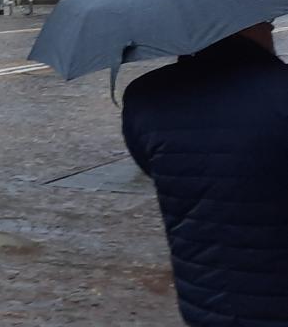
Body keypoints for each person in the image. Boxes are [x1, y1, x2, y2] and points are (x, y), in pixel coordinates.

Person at [122, 21, 288, 326]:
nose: (270, 29)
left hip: (204, 300)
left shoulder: (143, 96)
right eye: (266, 23)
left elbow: (152, 166)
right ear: (243, 26)